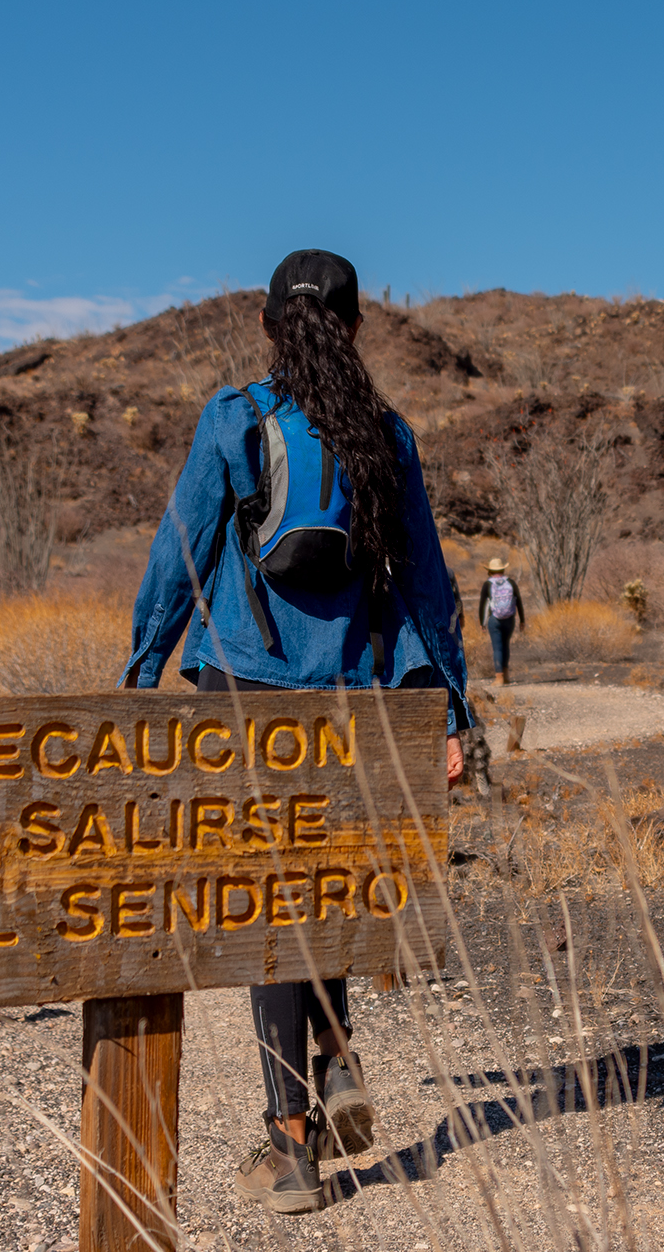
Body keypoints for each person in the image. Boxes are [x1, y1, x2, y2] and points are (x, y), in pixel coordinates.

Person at [122, 249, 473, 1215]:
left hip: (245, 689)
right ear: (358, 327)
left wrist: (141, 671)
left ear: (270, 324)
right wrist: (451, 712)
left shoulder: (236, 419)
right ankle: (340, 1057)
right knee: (323, 885)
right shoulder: (385, 435)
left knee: (266, 902)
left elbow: (182, 552)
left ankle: (290, 1147)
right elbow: (429, 591)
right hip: (354, 700)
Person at [476, 556, 525, 685]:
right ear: (503, 569)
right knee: (505, 646)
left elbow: (483, 604)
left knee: (497, 648)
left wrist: (482, 622)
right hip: (510, 619)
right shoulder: (511, 582)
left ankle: (499, 678)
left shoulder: (488, 584)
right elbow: (518, 600)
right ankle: (506, 675)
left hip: (495, 620)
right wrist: (522, 620)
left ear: (490, 571)